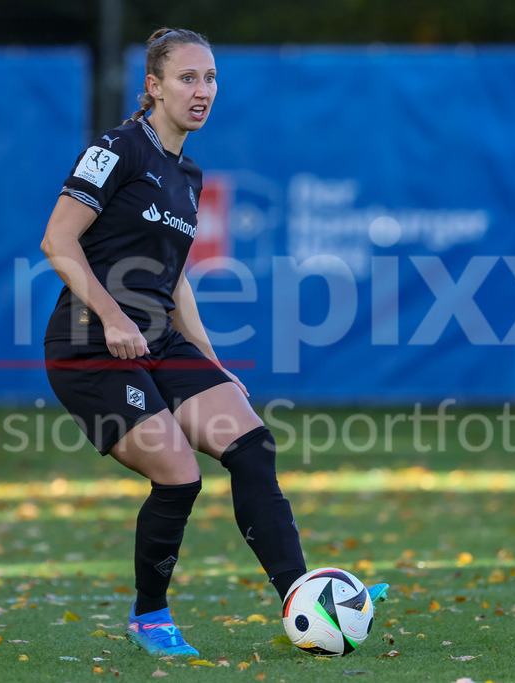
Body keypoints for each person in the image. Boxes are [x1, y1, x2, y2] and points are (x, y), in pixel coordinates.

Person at [40, 28, 305, 658]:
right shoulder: (116, 149)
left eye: (210, 78)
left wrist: (213, 365)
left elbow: (175, 279)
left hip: (156, 338)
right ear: (153, 87)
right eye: (187, 78)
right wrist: (112, 318)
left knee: (252, 445)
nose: (202, 90)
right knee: (180, 477)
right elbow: (58, 240)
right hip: (88, 345)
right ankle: (150, 616)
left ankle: (304, 599)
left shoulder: (187, 173)